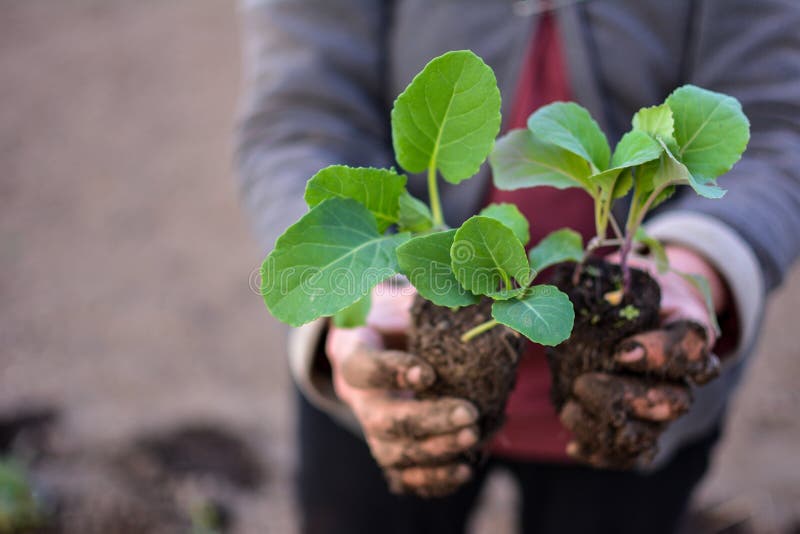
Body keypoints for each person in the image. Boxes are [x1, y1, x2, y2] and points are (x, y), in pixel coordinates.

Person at [235, 1, 800, 533]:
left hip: (635, 383)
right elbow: (299, 116)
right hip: (394, 356)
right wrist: (363, 296)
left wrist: (695, 261)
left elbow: (777, 125)